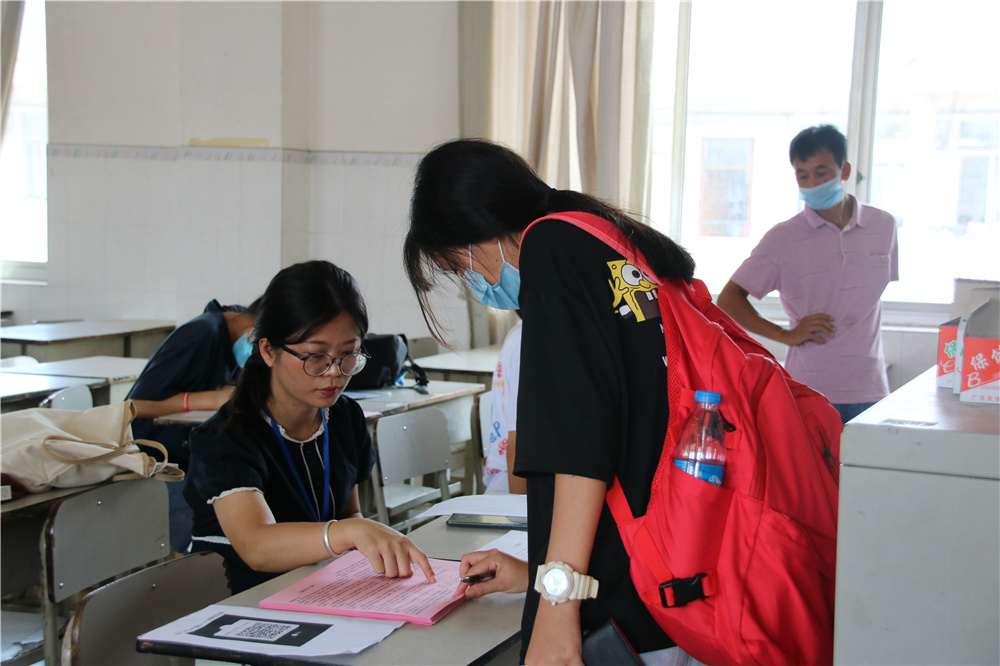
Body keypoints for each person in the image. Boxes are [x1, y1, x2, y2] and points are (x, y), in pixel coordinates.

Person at [404, 139, 698, 665]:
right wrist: (532, 574)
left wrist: (557, 601)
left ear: (478, 232)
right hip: (666, 577)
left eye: (458, 265)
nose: (474, 281)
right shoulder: (597, 240)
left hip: (627, 612)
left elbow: (580, 454)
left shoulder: (550, 254)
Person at [183, 260, 435, 594]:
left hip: (321, 591)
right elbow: (257, 546)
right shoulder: (226, 437)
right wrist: (349, 532)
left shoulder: (344, 417)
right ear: (268, 350)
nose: (334, 372)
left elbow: (349, 514)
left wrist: (362, 542)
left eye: (348, 354)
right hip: (242, 600)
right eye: (315, 356)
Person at [717, 125, 899, 425]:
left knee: (866, 458)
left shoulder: (884, 226)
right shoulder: (783, 238)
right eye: (803, 175)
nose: (812, 183)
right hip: (809, 389)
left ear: (844, 171)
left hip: (871, 387)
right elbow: (728, 300)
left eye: (821, 172)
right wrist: (784, 335)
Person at [127, 298, 259, 553]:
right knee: (210, 535)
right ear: (255, 329)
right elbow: (136, 404)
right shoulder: (203, 333)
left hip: (188, 458)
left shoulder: (231, 332)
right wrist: (212, 399)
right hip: (156, 460)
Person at [483, 317, 525, 494]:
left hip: (512, 478)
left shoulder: (521, 333)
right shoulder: (525, 340)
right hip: (513, 484)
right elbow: (517, 447)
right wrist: (518, 508)